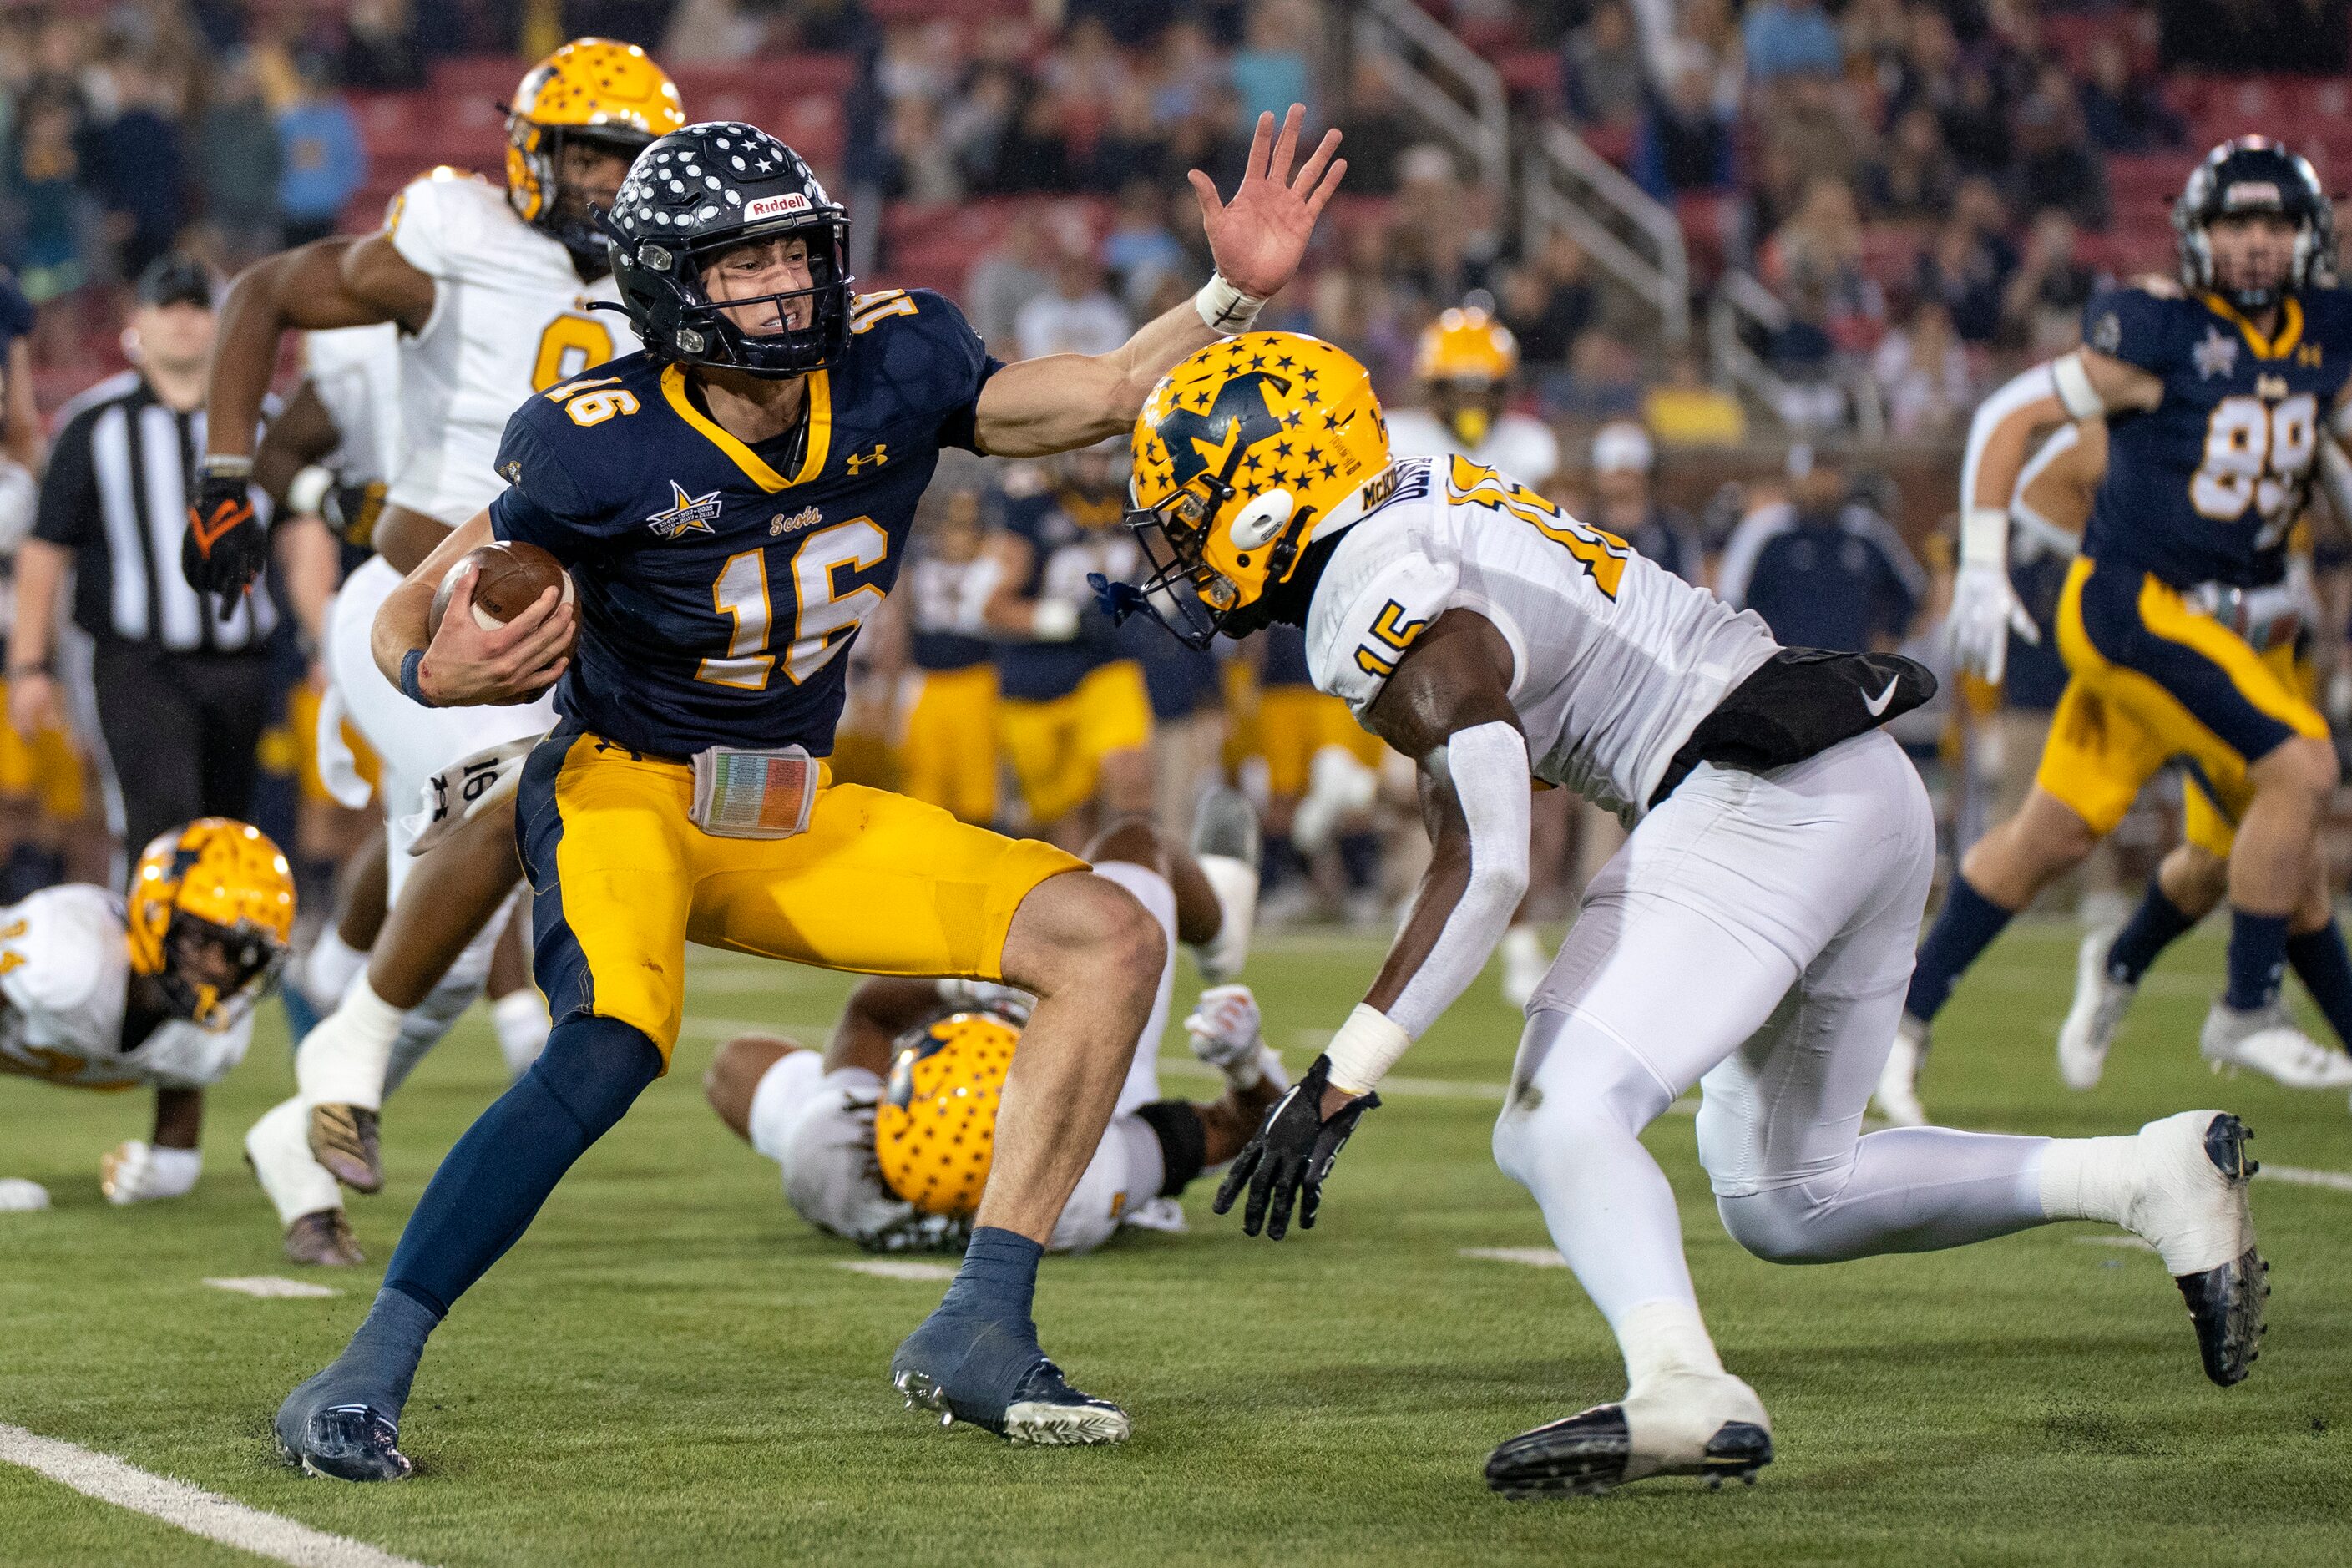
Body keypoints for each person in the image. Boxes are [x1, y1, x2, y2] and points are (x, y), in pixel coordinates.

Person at [267, 106, 1342, 1480]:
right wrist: (434, 658)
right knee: (607, 1047)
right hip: (624, 790)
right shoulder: (595, 439)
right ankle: (363, 1370)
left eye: (795, 255)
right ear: (667, 286)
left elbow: (1101, 391)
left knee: (1105, 938)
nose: (784, 286)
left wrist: (1229, 292)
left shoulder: (895, 361)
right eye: (742, 265)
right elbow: (410, 611)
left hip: (789, 802)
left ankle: (980, 1324)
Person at [1112, 328, 2267, 1498]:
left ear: (1267, 505)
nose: (1172, 550)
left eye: (1187, 515)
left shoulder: (1373, 585)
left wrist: (1339, 1074)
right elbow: (1479, 792)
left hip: (1759, 791)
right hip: (1855, 785)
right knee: (1784, 1192)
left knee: (1551, 1117)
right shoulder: (1415, 504)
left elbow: (1496, 860)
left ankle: (1682, 1385)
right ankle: (2146, 1176)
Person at [190, 40, 681, 1222]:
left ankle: (302, 1117)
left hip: (562, 643)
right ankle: (341, 1066)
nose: (607, 186)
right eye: (585, 157)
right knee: (497, 805)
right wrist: (224, 478)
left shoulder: (672, 282)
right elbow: (262, 294)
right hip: (410, 605)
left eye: (629, 162)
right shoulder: (453, 238)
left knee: (458, 924)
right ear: (529, 152)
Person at [1888, 139, 2352, 1123]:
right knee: (2301, 781)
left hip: (2247, 633)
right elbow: (2022, 424)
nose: (2259, 243)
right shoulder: (2159, 331)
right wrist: (1985, 564)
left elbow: (2323, 451)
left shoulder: (2327, 336)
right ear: (2199, 235)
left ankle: (1916, 1014)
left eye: (2277, 223)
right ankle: (2245, 1006)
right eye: (2238, 223)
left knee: (2078, 838)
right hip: (2141, 613)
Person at [706, 808, 1274, 1253]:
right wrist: (1245, 1064)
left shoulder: (833, 1161)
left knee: (738, 1067)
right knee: (1130, 847)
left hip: (875, 1170)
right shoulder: (1083, 1185)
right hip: (1097, 1113)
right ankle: (1222, 938)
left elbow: (859, 1021)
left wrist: (954, 990)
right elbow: (1240, 1125)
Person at [10, 257, 281, 878]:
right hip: (139, 661)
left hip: (244, 661)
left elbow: (301, 536)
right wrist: (31, 665)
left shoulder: (265, 419)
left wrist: (325, 642)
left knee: (234, 828)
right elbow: (47, 549)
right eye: (169, 306)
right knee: (164, 820)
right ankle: (157, 971)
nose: (183, 321)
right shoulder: (94, 423)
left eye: (197, 306)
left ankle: (222, 970)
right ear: (138, 321)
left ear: (223, 322)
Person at [0, 821, 294, 1211]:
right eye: (202, 938)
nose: (218, 969)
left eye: (242, 954)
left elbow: (178, 1151)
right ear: (156, 914)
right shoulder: (68, 957)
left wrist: (156, 1176)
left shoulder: (218, 1029)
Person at [984, 443, 1155, 848]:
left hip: (1106, 666)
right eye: (1088, 455)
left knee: (1130, 777)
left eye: (1104, 456)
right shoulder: (1032, 510)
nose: (1096, 466)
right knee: (1060, 818)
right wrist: (1066, 620)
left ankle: (1137, 884)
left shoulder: (1133, 508)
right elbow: (995, 608)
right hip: (1039, 680)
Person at [1716, 448, 1925, 655]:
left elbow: (1910, 591)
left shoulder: (1866, 529)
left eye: (1831, 473)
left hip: (1851, 667)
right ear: (1797, 478)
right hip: (1784, 668)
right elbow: (1732, 596)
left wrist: (1891, 636)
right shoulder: (1767, 530)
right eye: (1816, 473)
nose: (1824, 483)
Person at [893, 487, 1002, 826]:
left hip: (976, 680)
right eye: (953, 525)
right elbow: (901, 622)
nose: (959, 535)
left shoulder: (995, 565)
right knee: (922, 792)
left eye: (968, 526)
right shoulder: (917, 565)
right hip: (925, 682)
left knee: (977, 797)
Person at [1386, 306, 1560, 489]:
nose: (1473, 401)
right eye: (1458, 389)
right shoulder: (1394, 437)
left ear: (1503, 392)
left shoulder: (1531, 440)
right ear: (1434, 391)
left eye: (1486, 390)